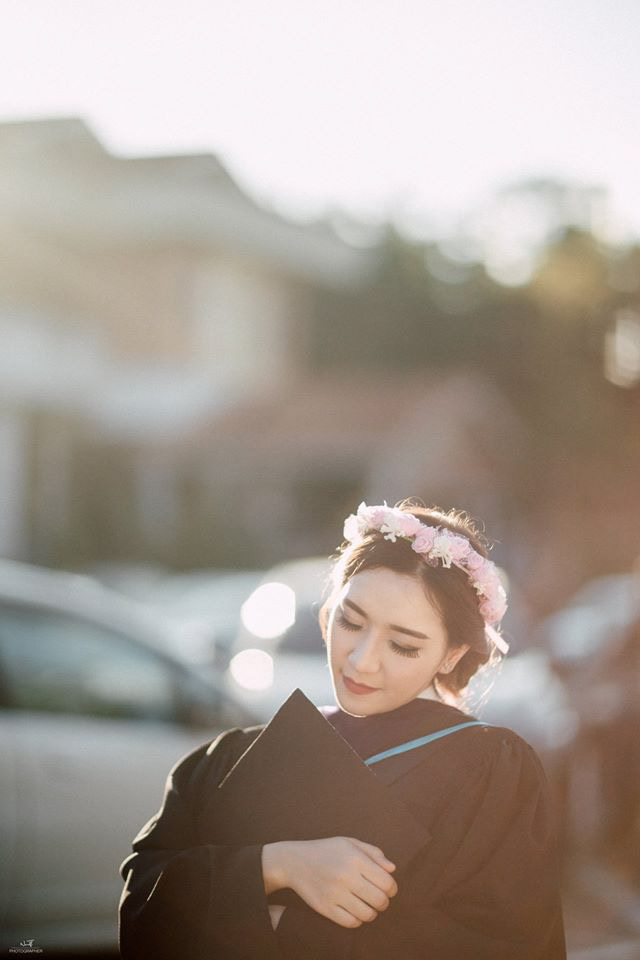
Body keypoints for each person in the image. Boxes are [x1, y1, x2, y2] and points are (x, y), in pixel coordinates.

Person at [118, 498, 567, 959]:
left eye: (402, 645)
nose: (362, 661)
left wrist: (289, 928)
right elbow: (144, 911)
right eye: (350, 622)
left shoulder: (488, 773)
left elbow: (506, 947)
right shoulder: (230, 759)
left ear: (451, 655)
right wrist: (275, 865)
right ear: (325, 613)